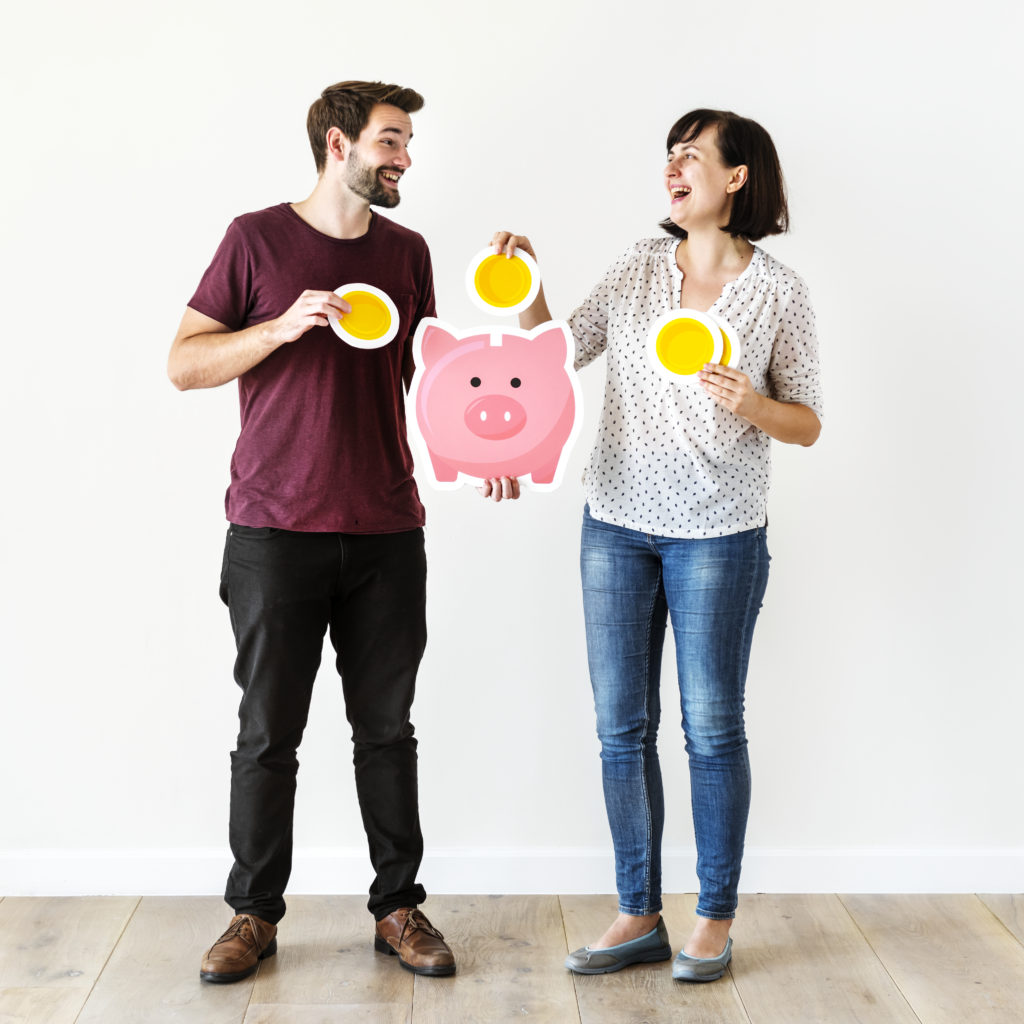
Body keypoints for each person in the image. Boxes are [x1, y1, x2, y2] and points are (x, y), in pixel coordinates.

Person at [169, 79, 519, 985]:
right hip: (272, 528)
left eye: (405, 144)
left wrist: (496, 441)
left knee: (387, 729)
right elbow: (184, 362)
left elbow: (432, 383)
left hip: (385, 529)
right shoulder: (255, 239)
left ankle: (397, 907)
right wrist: (280, 328)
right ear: (338, 143)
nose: (405, 158)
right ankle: (253, 915)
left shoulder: (408, 252)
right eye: (391, 141)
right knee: (265, 733)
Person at [493, 108, 822, 981]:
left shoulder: (778, 291)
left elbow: (809, 421)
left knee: (711, 728)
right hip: (615, 526)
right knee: (620, 727)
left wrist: (752, 404)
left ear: (738, 176)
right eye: (667, 158)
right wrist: (523, 281)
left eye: (691, 157)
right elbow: (557, 350)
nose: (672, 170)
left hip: (719, 535)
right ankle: (638, 911)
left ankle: (713, 918)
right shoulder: (641, 267)